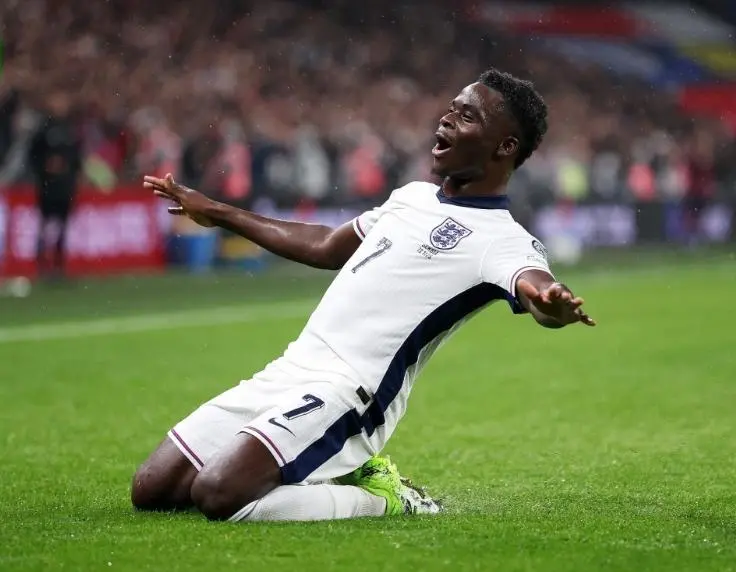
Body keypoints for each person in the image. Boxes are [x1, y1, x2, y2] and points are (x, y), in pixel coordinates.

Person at [132, 69, 595, 522]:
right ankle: (320, 469)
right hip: (292, 368)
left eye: (467, 116)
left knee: (218, 494)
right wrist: (216, 212)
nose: (447, 119)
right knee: (152, 489)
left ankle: (384, 500)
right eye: (451, 109)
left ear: (505, 146)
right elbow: (325, 246)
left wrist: (551, 302)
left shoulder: (502, 239)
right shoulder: (412, 197)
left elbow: (535, 285)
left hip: (351, 393)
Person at [28, 92, 83, 279]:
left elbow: (77, 157)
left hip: (65, 187)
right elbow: (32, 156)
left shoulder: (70, 130)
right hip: (48, 187)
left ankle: (59, 266)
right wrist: (45, 166)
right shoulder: (43, 129)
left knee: (63, 227)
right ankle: (42, 265)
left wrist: (73, 175)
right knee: (45, 226)